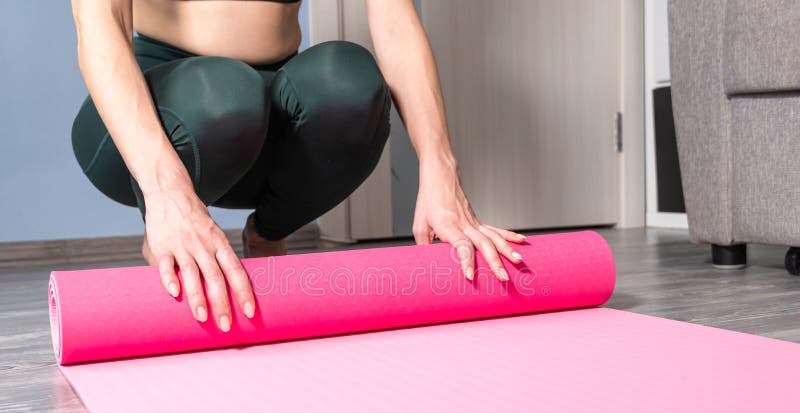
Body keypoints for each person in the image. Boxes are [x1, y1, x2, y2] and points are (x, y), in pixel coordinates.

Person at [70, 0, 526, 332]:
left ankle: (267, 233)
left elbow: (393, 18)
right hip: (154, 108)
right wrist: (164, 195)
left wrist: (439, 170)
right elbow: (100, 25)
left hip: (268, 101)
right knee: (226, 93)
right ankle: (166, 233)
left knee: (351, 84)